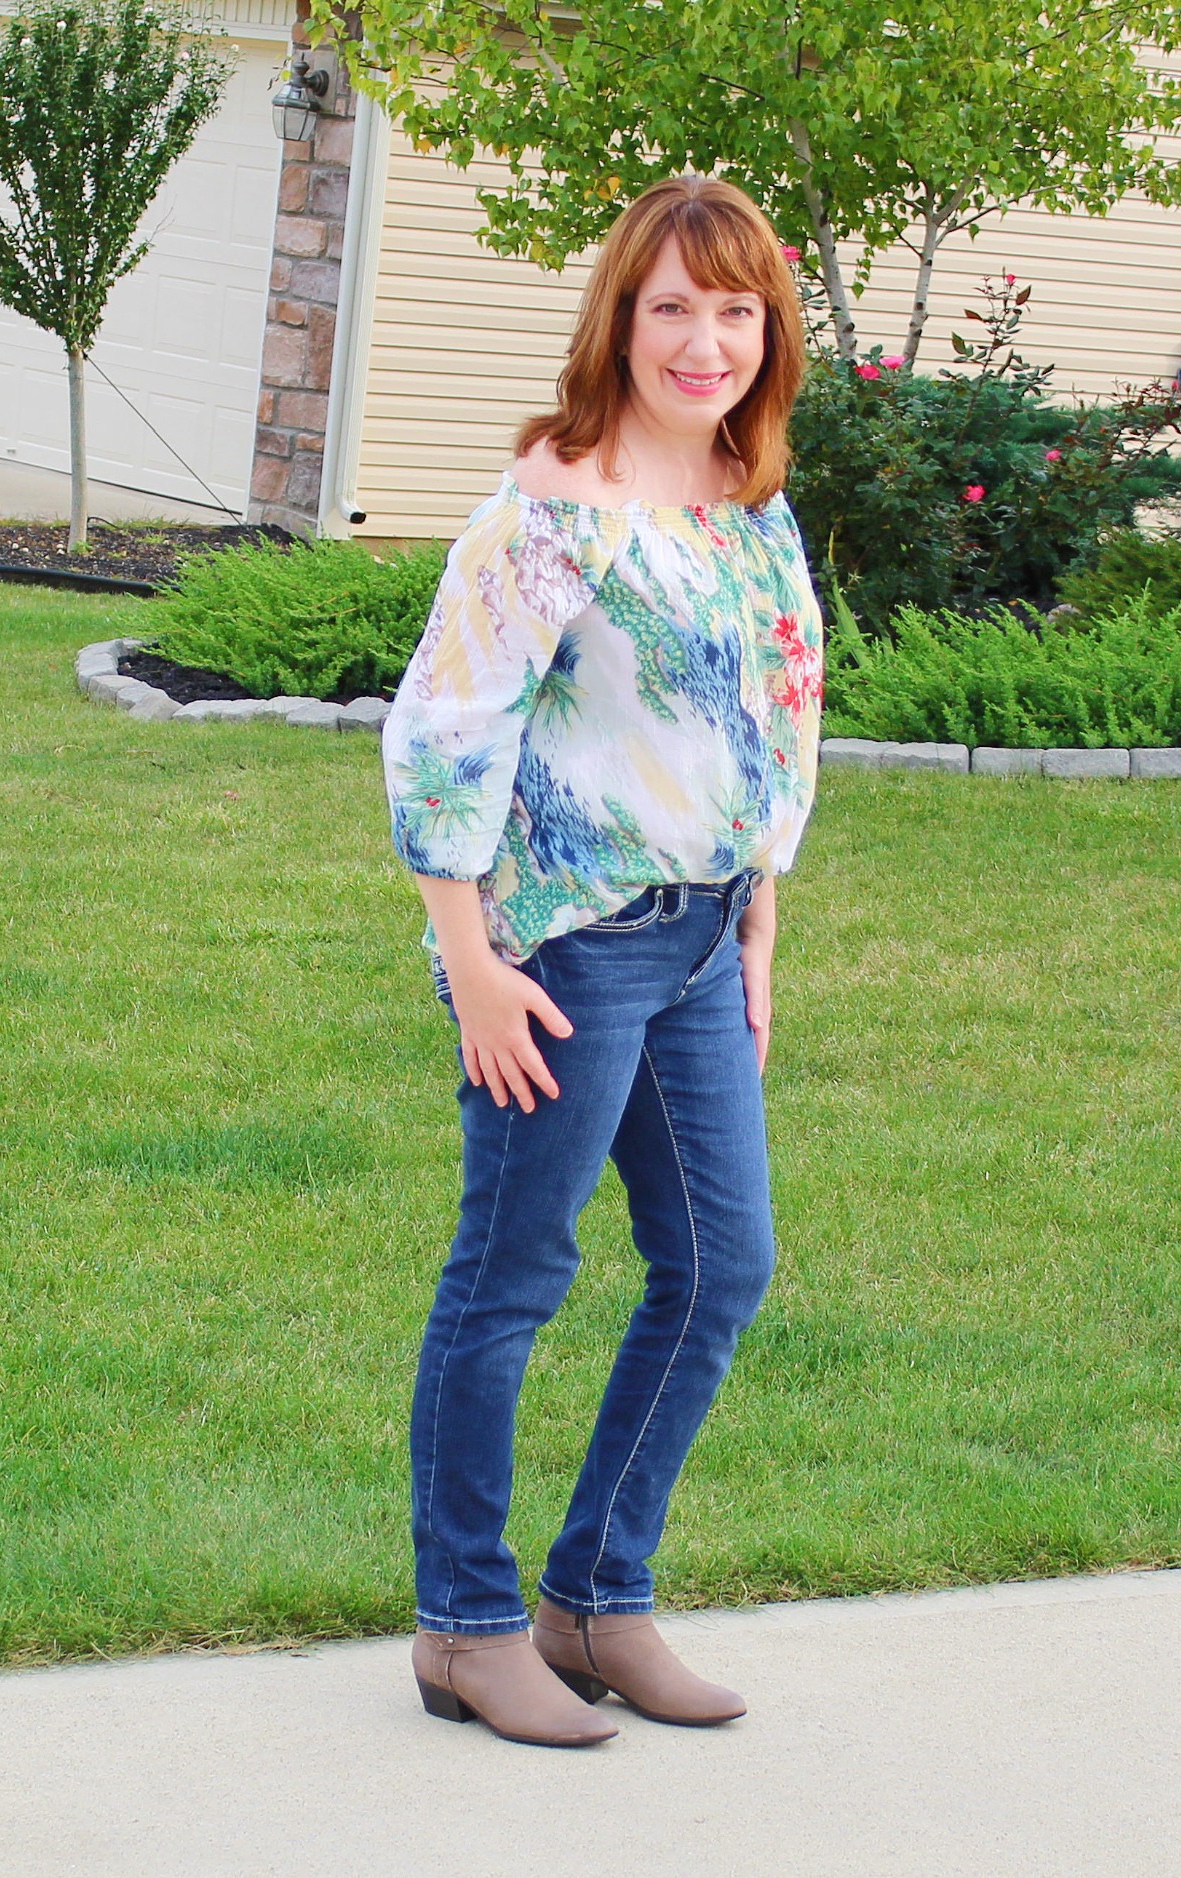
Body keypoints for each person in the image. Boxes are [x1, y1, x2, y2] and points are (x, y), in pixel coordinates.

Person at [380, 174, 823, 1749]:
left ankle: (595, 1599)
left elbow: (769, 716)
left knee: (718, 1266)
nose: (705, 341)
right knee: (511, 1276)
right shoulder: (551, 504)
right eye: (673, 308)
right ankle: (467, 1625)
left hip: (701, 940)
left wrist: (759, 917)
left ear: (765, 329)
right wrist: (473, 957)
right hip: (562, 945)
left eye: (735, 308)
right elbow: (446, 725)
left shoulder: (745, 497)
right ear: (619, 320)